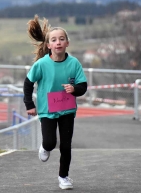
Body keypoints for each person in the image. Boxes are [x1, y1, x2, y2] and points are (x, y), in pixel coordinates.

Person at [23, 15, 88, 190]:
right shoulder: (41, 64)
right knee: (51, 142)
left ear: (67, 43)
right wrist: (29, 104)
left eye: (61, 39)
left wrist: (74, 89)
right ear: (48, 45)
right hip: (47, 110)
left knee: (66, 145)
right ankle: (44, 147)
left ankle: (64, 177)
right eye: (54, 40)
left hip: (67, 110)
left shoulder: (74, 63)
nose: (58, 42)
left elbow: (83, 86)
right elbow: (28, 84)